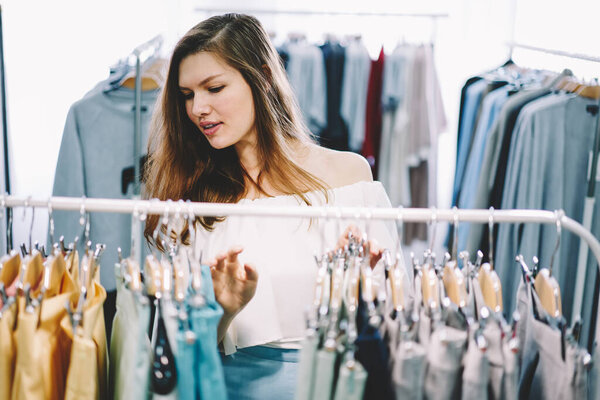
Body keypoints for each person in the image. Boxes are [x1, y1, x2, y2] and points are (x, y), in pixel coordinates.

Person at [143, 13, 399, 400]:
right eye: (188, 95)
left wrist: (360, 290)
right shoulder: (190, 196)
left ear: (262, 77)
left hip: (334, 385)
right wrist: (222, 311)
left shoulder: (349, 177)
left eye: (213, 88)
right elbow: (174, 354)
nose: (197, 108)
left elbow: (398, 319)